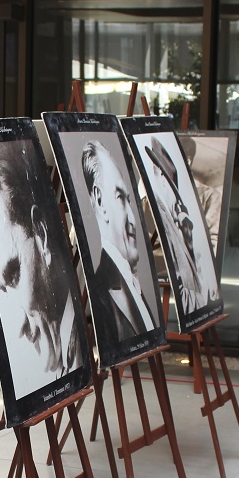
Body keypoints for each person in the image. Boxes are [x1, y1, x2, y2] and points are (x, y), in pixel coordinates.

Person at [0, 141, 86, 383]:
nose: (19, 328)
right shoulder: (54, 342)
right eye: (4, 289)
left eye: (14, 275)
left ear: (41, 233)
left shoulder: (76, 343)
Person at [79, 139, 160, 345]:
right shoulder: (102, 294)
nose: (134, 219)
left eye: (129, 200)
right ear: (100, 201)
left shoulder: (131, 284)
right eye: (120, 198)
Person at [143, 137, 219, 314]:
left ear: (188, 161)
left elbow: (210, 242)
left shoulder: (207, 195)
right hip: (163, 267)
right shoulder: (154, 197)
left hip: (194, 279)